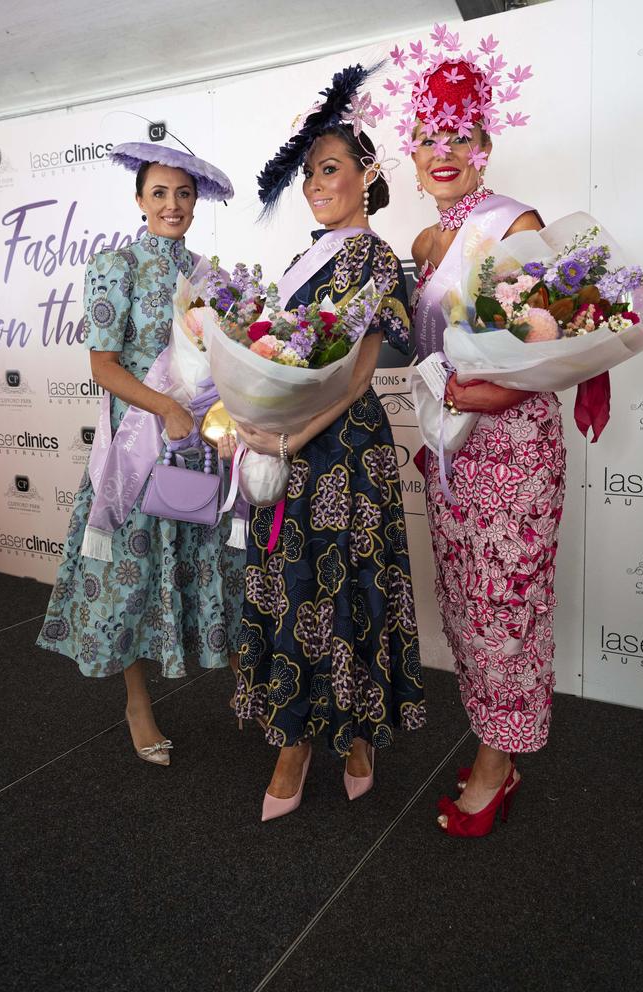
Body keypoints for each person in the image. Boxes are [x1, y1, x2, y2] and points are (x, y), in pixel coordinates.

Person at [229, 65, 427, 820]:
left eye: (331, 168)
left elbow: (354, 376)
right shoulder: (294, 264)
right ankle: (293, 738)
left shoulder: (374, 257)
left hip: (341, 450)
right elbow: (272, 362)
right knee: (291, 593)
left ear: (366, 176)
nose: (316, 182)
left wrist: (285, 436)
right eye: (309, 170)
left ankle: (356, 734)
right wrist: (249, 423)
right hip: (284, 446)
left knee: (347, 594)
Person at [401, 39, 566, 835]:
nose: (444, 152)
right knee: (469, 607)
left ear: (484, 146)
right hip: (453, 453)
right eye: (430, 136)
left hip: (513, 451)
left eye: (459, 136)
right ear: (412, 148)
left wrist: (483, 389)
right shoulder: (427, 243)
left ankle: (499, 769)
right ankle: (493, 743)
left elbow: (554, 353)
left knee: (507, 608)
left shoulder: (512, 222)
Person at [37, 142, 244, 766]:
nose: (173, 204)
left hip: (196, 446)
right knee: (129, 577)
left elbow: (220, 364)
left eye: (183, 194)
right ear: (140, 200)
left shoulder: (210, 276)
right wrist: (166, 409)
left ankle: (243, 688)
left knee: (207, 565)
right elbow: (103, 367)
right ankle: (136, 703)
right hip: (137, 445)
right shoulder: (115, 266)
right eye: (160, 193)